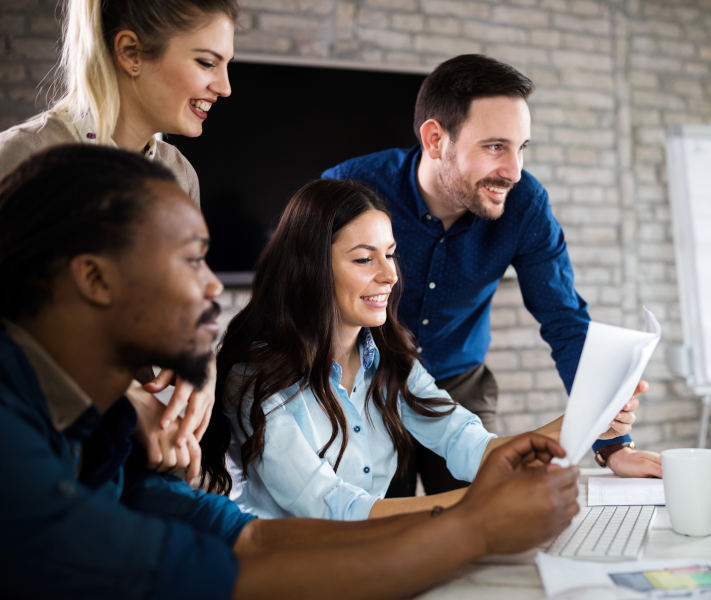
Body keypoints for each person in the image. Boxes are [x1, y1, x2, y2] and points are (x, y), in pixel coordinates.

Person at [0, 144, 580, 599]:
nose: (211, 286)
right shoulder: (16, 442)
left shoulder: (111, 434)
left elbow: (248, 539)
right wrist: (476, 523)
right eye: (190, 259)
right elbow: (228, 573)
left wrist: (567, 438)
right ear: (94, 279)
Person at [198, 177, 638, 520]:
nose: (390, 276)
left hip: (369, 559)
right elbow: (332, 508)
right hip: (296, 574)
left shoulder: (391, 360)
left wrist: (588, 422)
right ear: (310, 269)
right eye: (364, 258)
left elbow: (467, 443)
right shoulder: (256, 375)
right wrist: (479, 508)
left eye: (390, 255)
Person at [323, 54, 663, 495]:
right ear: (434, 139)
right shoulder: (350, 190)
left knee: (487, 510)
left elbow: (564, 320)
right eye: (495, 147)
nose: (514, 171)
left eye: (521, 148)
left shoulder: (525, 204)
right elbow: (301, 297)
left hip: (461, 385)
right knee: (384, 528)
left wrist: (613, 443)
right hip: (366, 390)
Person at [0, 0, 239, 481]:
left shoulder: (178, 175)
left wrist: (202, 369)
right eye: (206, 62)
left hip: (144, 455)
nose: (225, 87)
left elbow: (182, 303)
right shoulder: (22, 158)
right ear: (130, 53)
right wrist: (121, 400)